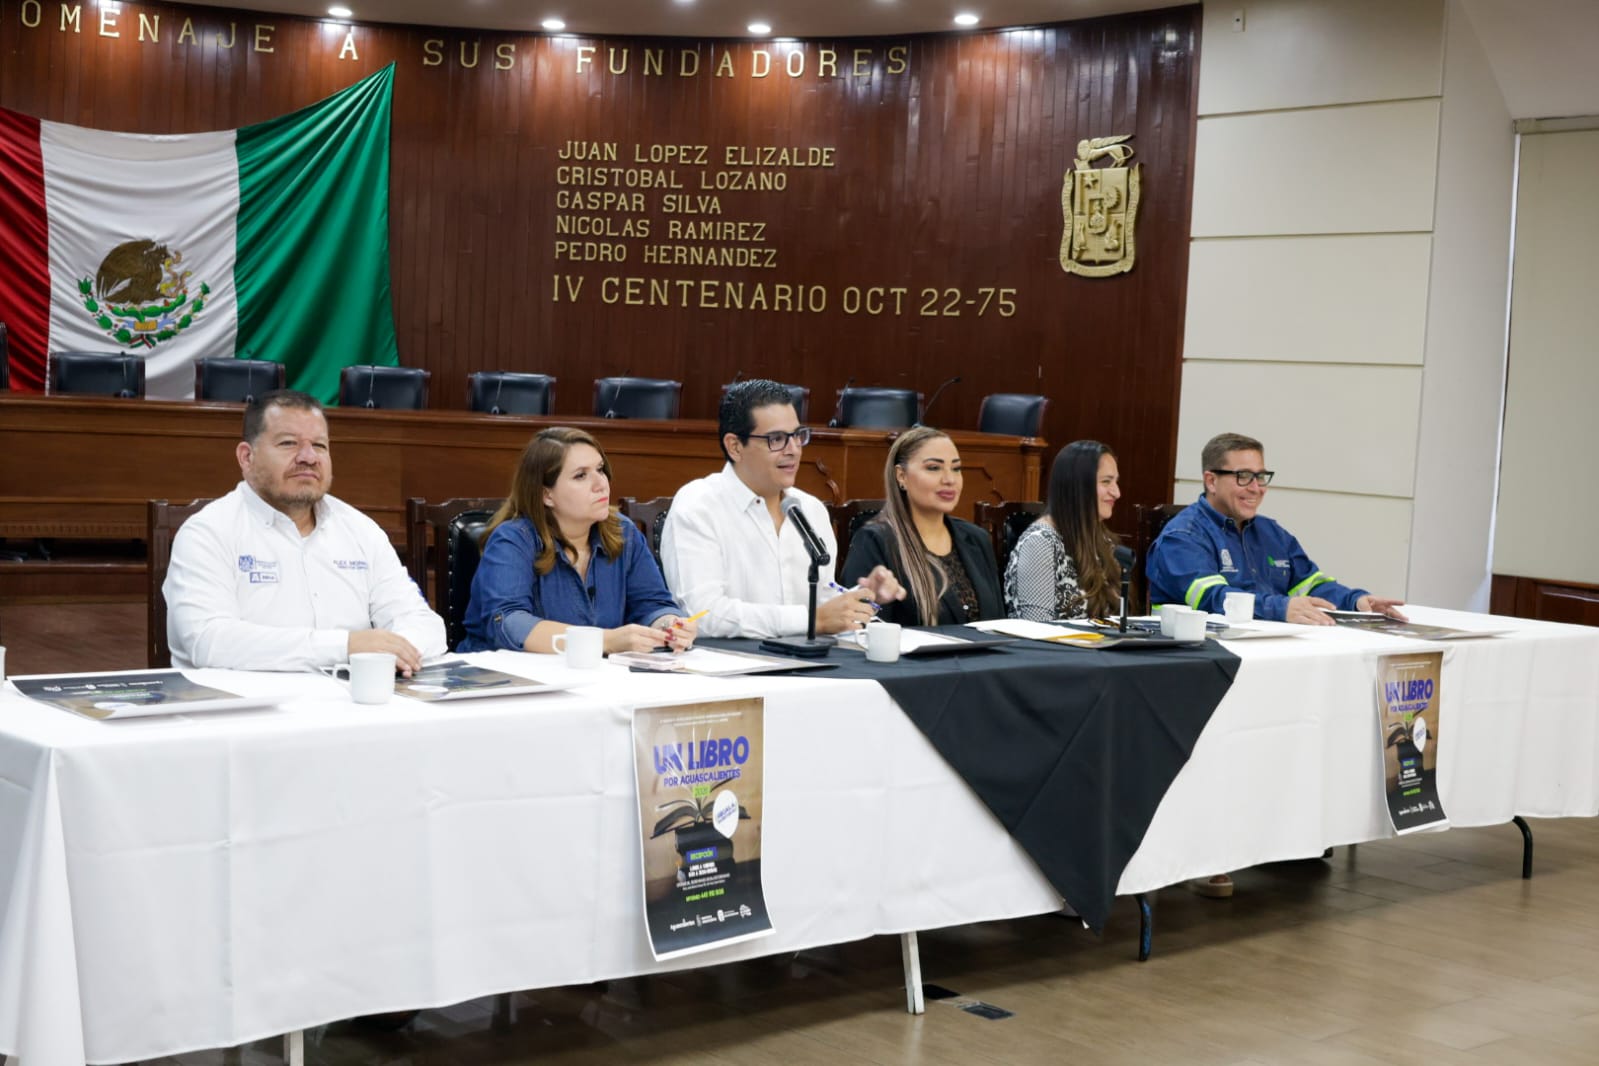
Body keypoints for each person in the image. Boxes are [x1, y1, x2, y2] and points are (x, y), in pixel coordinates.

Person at [164, 389, 445, 674]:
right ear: (247, 457)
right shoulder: (207, 532)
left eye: (320, 445)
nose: (309, 457)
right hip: (245, 700)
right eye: (289, 443)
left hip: (353, 695)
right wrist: (346, 647)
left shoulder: (361, 530)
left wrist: (396, 651)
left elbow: (424, 623)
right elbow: (209, 641)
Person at [660, 379, 904, 639]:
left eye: (798, 435)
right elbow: (702, 614)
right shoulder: (698, 506)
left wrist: (862, 597)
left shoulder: (810, 509)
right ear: (735, 446)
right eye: (776, 439)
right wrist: (811, 620)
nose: (794, 450)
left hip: (806, 658)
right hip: (728, 661)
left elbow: (822, 599)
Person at [459, 427, 697, 654]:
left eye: (600, 470)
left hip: (590, 674)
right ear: (546, 494)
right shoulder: (513, 540)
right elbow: (509, 623)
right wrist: (604, 641)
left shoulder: (623, 532)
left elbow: (653, 604)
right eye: (581, 476)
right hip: (503, 676)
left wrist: (669, 624)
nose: (601, 484)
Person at [1147, 432, 1406, 625]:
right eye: (1243, 476)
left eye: (1260, 476)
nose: (1256, 488)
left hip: (1271, 651)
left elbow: (1310, 584)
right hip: (1204, 658)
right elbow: (1214, 599)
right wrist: (1282, 608)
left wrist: (1357, 602)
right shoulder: (1182, 536)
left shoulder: (1271, 532)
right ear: (1211, 481)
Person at [841, 426, 1003, 626]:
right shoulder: (875, 541)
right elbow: (860, 627)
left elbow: (998, 623)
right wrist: (876, 602)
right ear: (901, 476)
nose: (949, 479)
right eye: (934, 468)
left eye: (956, 468)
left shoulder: (977, 538)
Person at [1004, 440, 1123, 621]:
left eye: (1116, 481)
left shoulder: (1103, 539)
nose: (1116, 492)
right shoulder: (1040, 543)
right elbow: (1036, 627)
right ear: (1077, 486)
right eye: (1106, 481)